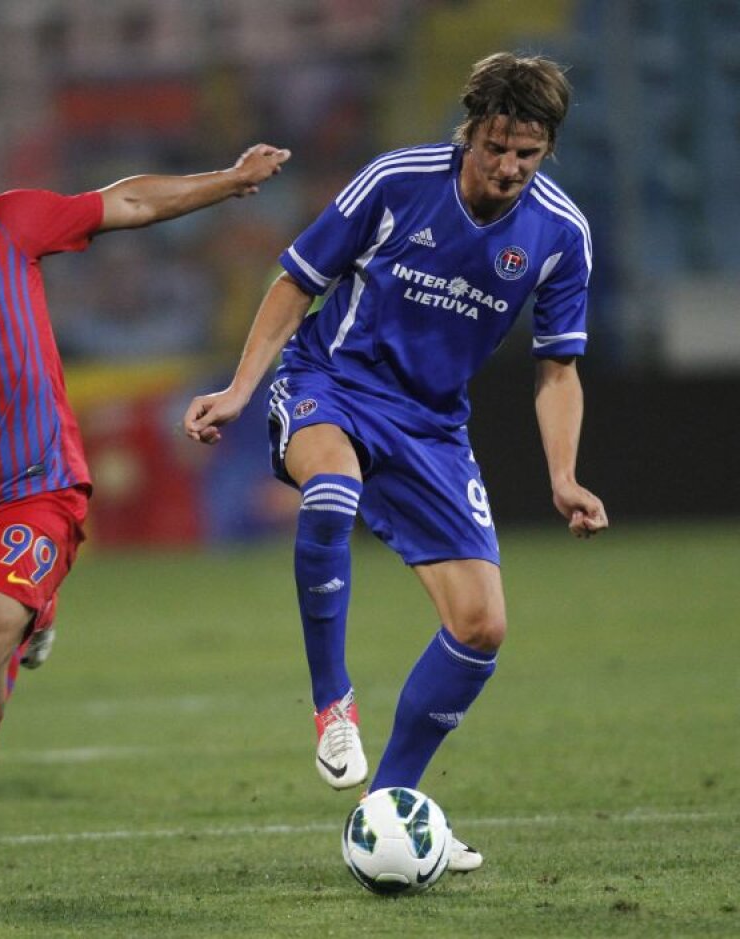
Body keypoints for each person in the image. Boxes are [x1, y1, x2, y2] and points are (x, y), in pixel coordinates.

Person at [0, 126, 290, 909]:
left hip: (39, 493)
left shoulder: (1, 225)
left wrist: (228, 181)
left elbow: (126, 198)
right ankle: (37, 617)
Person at [183, 52, 608, 873]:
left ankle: (391, 808)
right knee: (333, 491)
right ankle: (331, 703)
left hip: (431, 426)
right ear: (470, 132)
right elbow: (294, 281)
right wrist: (240, 389)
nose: (510, 167)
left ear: (547, 148)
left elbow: (558, 367)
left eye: (528, 152)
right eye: (495, 148)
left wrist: (564, 474)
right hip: (330, 380)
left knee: (482, 624)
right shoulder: (397, 179)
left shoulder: (561, 233)